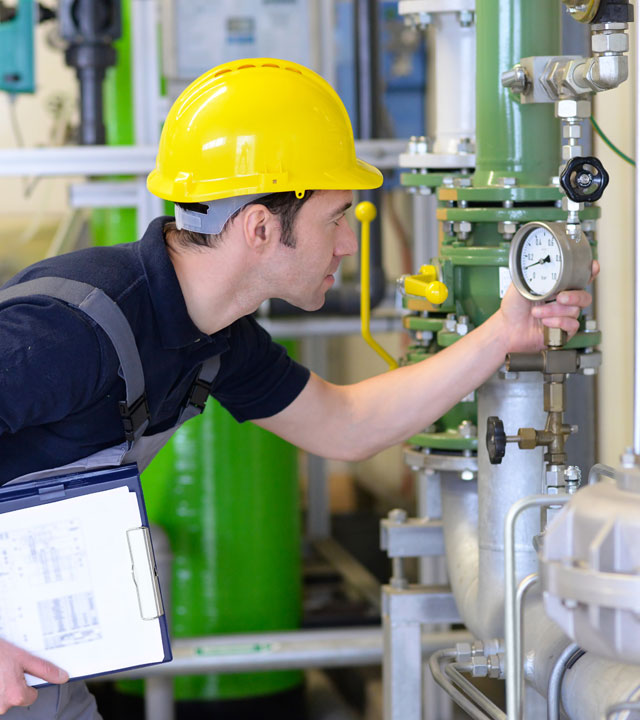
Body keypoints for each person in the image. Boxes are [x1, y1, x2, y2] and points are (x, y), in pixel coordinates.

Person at [0, 58, 594, 718]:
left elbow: (346, 425)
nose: (347, 244)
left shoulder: (215, 339)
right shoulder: (70, 329)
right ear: (259, 228)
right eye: (336, 217)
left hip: (37, 665)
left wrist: (503, 334)